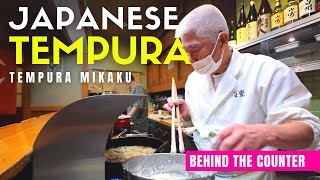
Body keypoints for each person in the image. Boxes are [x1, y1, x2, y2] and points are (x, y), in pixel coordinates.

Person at [163, 4, 320, 180]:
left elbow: (309, 132)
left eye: (195, 49)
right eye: (186, 52)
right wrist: (187, 116)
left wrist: (264, 133)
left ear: (222, 40)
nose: (190, 60)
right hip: (205, 172)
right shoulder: (194, 80)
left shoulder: (266, 70)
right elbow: (205, 125)